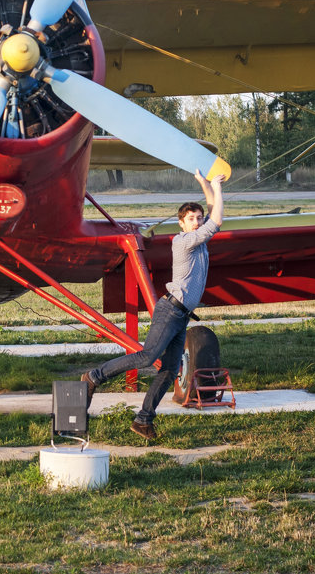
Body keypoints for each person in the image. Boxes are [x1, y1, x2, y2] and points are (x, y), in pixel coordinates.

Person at [81, 170, 225, 440]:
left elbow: (211, 213)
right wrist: (216, 187)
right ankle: (94, 377)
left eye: (198, 219)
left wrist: (205, 184)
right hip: (170, 311)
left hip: (181, 316)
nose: (196, 223)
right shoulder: (185, 242)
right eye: (190, 219)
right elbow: (216, 219)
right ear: (181, 224)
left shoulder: (200, 241)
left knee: (170, 370)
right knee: (148, 356)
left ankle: (143, 420)